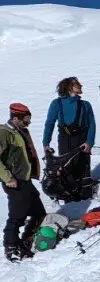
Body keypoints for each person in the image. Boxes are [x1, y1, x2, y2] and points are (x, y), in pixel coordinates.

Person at [1, 103, 45, 262]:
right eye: (26, 120)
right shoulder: (4, 133)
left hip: (25, 180)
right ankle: (11, 246)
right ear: (15, 118)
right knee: (17, 216)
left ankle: (28, 239)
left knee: (39, 213)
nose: (29, 123)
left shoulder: (21, 131)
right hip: (15, 181)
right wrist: (8, 178)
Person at [42, 77, 95, 199]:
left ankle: (85, 195)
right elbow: (50, 123)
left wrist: (89, 142)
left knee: (84, 165)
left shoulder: (85, 105)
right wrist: (46, 143)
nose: (80, 85)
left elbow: (92, 124)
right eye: (77, 84)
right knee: (66, 166)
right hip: (65, 138)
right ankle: (70, 196)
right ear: (69, 87)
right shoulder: (57, 103)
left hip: (82, 138)